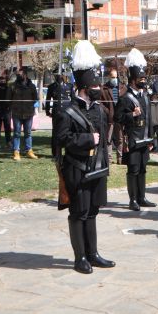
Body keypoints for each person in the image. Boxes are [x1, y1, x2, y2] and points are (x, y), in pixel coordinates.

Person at [56, 40, 115, 274]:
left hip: (96, 168)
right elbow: (62, 140)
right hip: (77, 168)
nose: (97, 87)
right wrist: (88, 140)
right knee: (79, 213)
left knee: (93, 211)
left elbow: (104, 141)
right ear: (83, 85)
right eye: (93, 83)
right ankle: (79, 257)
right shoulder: (66, 111)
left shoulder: (98, 109)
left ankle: (93, 254)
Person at [115, 48, 156, 211]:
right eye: (140, 78)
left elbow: (149, 119)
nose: (143, 81)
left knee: (143, 168)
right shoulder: (125, 98)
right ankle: (133, 200)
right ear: (133, 80)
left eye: (144, 78)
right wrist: (131, 115)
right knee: (133, 169)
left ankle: (142, 197)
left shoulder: (144, 96)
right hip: (132, 138)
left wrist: (151, 138)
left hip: (144, 138)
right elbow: (117, 118)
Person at [6, 67, 38, 161]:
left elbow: (35, 98)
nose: (19, 75)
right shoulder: (13, 86)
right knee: (17, 133)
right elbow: (8, 99)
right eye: (18, 74)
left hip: (28, 113)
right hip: (16, 113)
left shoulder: (31, 86)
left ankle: (29, 150)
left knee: (28, 132)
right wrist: (13, 107)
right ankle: (16, 151)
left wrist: (30, 106)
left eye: (20, 74)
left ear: (25, 75)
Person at [45, 73, 72, 160]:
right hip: (57, 112)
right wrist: (47, 110)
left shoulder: (69, 86)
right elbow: (48, 100)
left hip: (68, 112)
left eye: (61, 75)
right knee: (56, 133)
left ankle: (68, 152)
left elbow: (73, 99)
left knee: (68, 132)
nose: (59, 76)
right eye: (57, 75)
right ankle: (56, 153)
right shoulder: (52, 87)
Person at [100, 68, 118, 165]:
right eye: (112, 77)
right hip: (110, 118)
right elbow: (100, 102)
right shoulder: (104, 88)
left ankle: (120, 159)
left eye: (116, 77)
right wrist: (107, 111)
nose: (114, 79)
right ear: (109, 77)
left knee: (120, 139)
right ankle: (109, 159)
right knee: (109, 139)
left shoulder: (121, 87)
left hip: (119, 117)